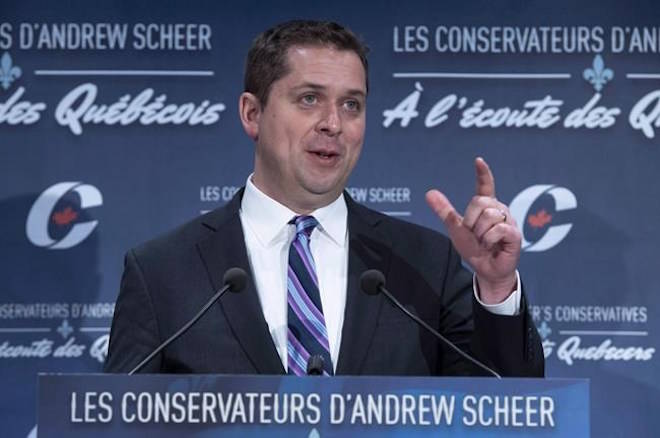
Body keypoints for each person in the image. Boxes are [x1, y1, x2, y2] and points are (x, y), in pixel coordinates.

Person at [104, 20, 543, 377]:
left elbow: (508, 415)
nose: (333, 123)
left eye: (352, 105)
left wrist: (497, 288)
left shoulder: (425, 264)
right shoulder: (163, 272)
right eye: (309, 99)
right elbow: (113, 424)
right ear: (251, 113)